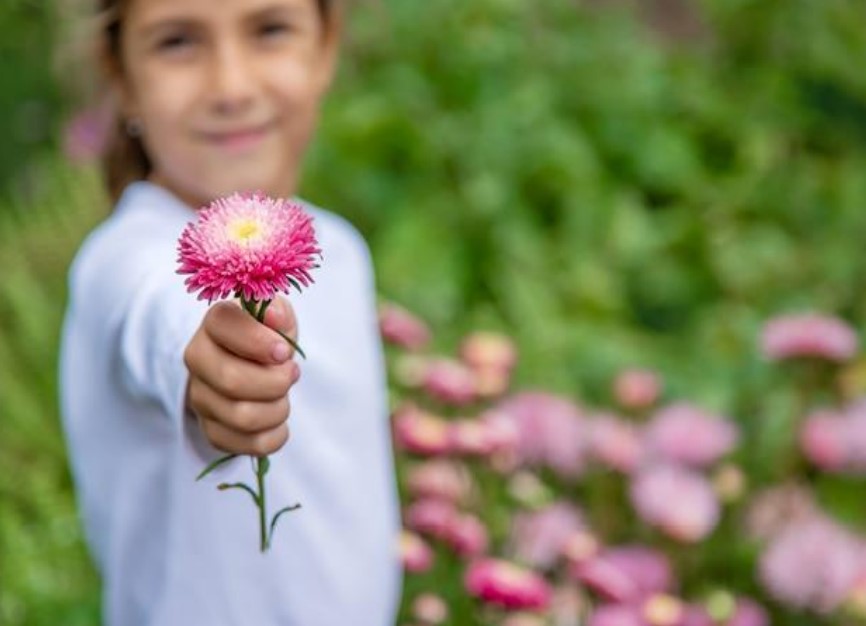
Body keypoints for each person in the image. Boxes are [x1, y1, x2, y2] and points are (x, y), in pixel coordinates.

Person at [58, 1, 402, 624]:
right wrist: (208, 371)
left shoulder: (342, 250)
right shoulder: (121, 259)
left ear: (325, 47)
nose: (232, 87)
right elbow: (158, 315)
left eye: (269, 30)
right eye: (178, 43)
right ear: (122, 79)